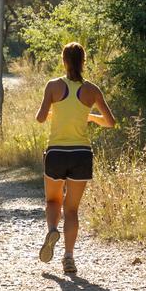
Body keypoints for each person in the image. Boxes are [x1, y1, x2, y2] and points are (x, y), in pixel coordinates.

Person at [34, 42, 115, 273]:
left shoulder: (53, 86)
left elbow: (40, 118)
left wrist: (54, 113)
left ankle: (52, 229)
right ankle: (69, 257)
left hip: (57, 153)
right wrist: (90, 117)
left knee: (52, 201)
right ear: (84, 61)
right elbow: (110, 122)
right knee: (71, 210)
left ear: (64, 61)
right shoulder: (92, 90)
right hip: (81, 154)